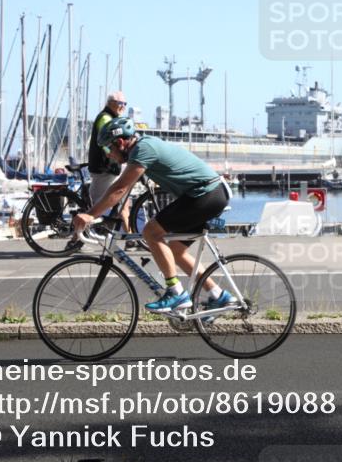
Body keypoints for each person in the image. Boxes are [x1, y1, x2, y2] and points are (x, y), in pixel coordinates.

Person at [72, 117, 233, 313]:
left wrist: (90, 215)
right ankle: (219, 295)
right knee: (176, 251)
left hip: (205, 194)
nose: (108, 154)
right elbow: (124, 189)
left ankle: (175, 293)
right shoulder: (143, 148)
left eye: (108, 148)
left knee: (151, 232)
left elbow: (120, 188)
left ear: (120, 142)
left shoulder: (143, 149)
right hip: (209, 194)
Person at [87, 91, 127, 205]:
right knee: (99, 204)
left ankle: (125, 218)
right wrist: (111, 152)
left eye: (125, 104)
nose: (123, 106)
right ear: (110, 103)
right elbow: (105, 142)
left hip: (110, 166)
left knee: (120, 201)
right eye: (120, 103)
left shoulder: (113, 118)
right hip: (104, 167)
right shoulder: (105, 118)